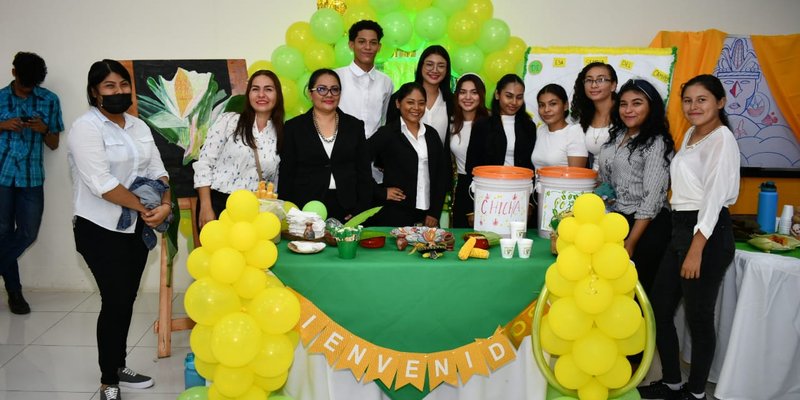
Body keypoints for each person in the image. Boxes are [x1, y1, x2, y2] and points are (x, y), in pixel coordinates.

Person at [67, 59, 170, 400]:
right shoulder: (86, 128)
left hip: (136, 230)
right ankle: (108, 379)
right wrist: (146, 207)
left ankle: (119, 363)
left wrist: (165, 205)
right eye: (110, 86)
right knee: (114, 300)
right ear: (95, 91)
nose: (119, 91)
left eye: (123, 85)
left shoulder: (138, 126)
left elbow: (159, 170)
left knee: (126, 300)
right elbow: (102, 184)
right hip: (99, 229)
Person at [638, 75, 739, 400]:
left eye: (702, 99)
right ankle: (671, 381)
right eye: (688, 100)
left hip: (707, 233)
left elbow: (713, 198)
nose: (694, 107)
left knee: (698, 317)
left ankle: (695, 393)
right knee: (660, 306)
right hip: (681, 228)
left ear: (720, 102)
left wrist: (697, 248)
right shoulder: (694, 135)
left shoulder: (722, 139)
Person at [0, 51, 63, 314]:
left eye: (32, 86)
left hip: (32, 177)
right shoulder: (0, 97)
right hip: (1, 176)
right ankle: (15, 293)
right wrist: (3, 125)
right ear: (13, 73)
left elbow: (54, 143)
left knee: (28, 233)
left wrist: (43, 130)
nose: (27, 90)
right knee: (2, 234)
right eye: (24, 84)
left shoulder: (49, 100)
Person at [596, 78, 674, 293]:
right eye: (623, 104)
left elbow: (652, 199)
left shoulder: (656, 142)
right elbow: (606, 183)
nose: (628, 110)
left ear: (651, 107)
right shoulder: (616, 137)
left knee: (637, 293)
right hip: (618, 222)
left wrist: (631, 241)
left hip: (646, 228)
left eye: (637, 103)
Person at [193, 70, 284, 229]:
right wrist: (206, 206)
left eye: (268, 89)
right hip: (219, 204)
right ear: (248, 94)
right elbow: (204, 163)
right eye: (255, 89)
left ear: (278, 95)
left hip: (256, 211)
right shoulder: (229, 121)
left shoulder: (282, 133)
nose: (261, 94)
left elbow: (275, 181)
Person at [279, 69, 372, 222]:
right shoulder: (293, 127)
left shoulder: (354, 126)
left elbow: (364, 173)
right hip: (306, 208)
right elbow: (286, 174)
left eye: (334, 89)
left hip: (347, 208)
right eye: (321, 89)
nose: (329, 95)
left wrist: (360, 210)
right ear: (310, 93)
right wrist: (292, 212)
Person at [369, 82, 447, 227]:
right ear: (398, 103)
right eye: (410, 102)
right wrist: (380, 192)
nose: (416, 108)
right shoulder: (387, 133)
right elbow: (357, 161)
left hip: (427, 215)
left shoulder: (431, 134)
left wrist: (434, 212)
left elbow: (441, 175)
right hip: (395, 213)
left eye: (421, 103)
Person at [464, 74, 536, 225]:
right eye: (509, 96)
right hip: (489, 195)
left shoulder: (528, 126)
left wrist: (530, 202)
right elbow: (471, 166)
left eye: (519, 97)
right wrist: (472, 207)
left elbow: (531, 166)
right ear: (497, 94)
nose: (514, 102)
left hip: (518, 195)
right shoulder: (482, 125)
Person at [335, 20, 394, 139]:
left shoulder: (386, 82)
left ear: (379, 47)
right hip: (341, 149)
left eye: (373, 43)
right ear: (351, 45)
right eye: (362, 42)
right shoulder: (336, 77)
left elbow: (385, 119)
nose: (367, 47)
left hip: (374, 152)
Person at [387, 45, 454, 146]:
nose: (435, 70)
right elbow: (389, 136)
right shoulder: (400, 97)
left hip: (439, 161)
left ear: (447, 70)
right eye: (429, 64)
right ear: (421, 66)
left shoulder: (452, 101)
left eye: (441, 66)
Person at [449, 73, 489, 228]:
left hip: (486, 187)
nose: (468, 97)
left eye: (474, 92)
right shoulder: (452, 123)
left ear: (481, 96)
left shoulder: (491, 123)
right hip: (462, 187)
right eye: (463, 92)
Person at [571, 62, 618, 168]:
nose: (594, 85)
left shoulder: (625, 113)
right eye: (589, 80)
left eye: (601, 80)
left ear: (613, 85)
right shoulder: (585, 117)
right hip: (593, 182)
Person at [531, 83, 588, 170]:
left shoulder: (575, 132)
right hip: (538, 183)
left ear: (565, 106)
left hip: (563, 183)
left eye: (553, 104)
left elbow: (576, 176)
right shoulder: (540, 130)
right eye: (542, 105)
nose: (546, 110)